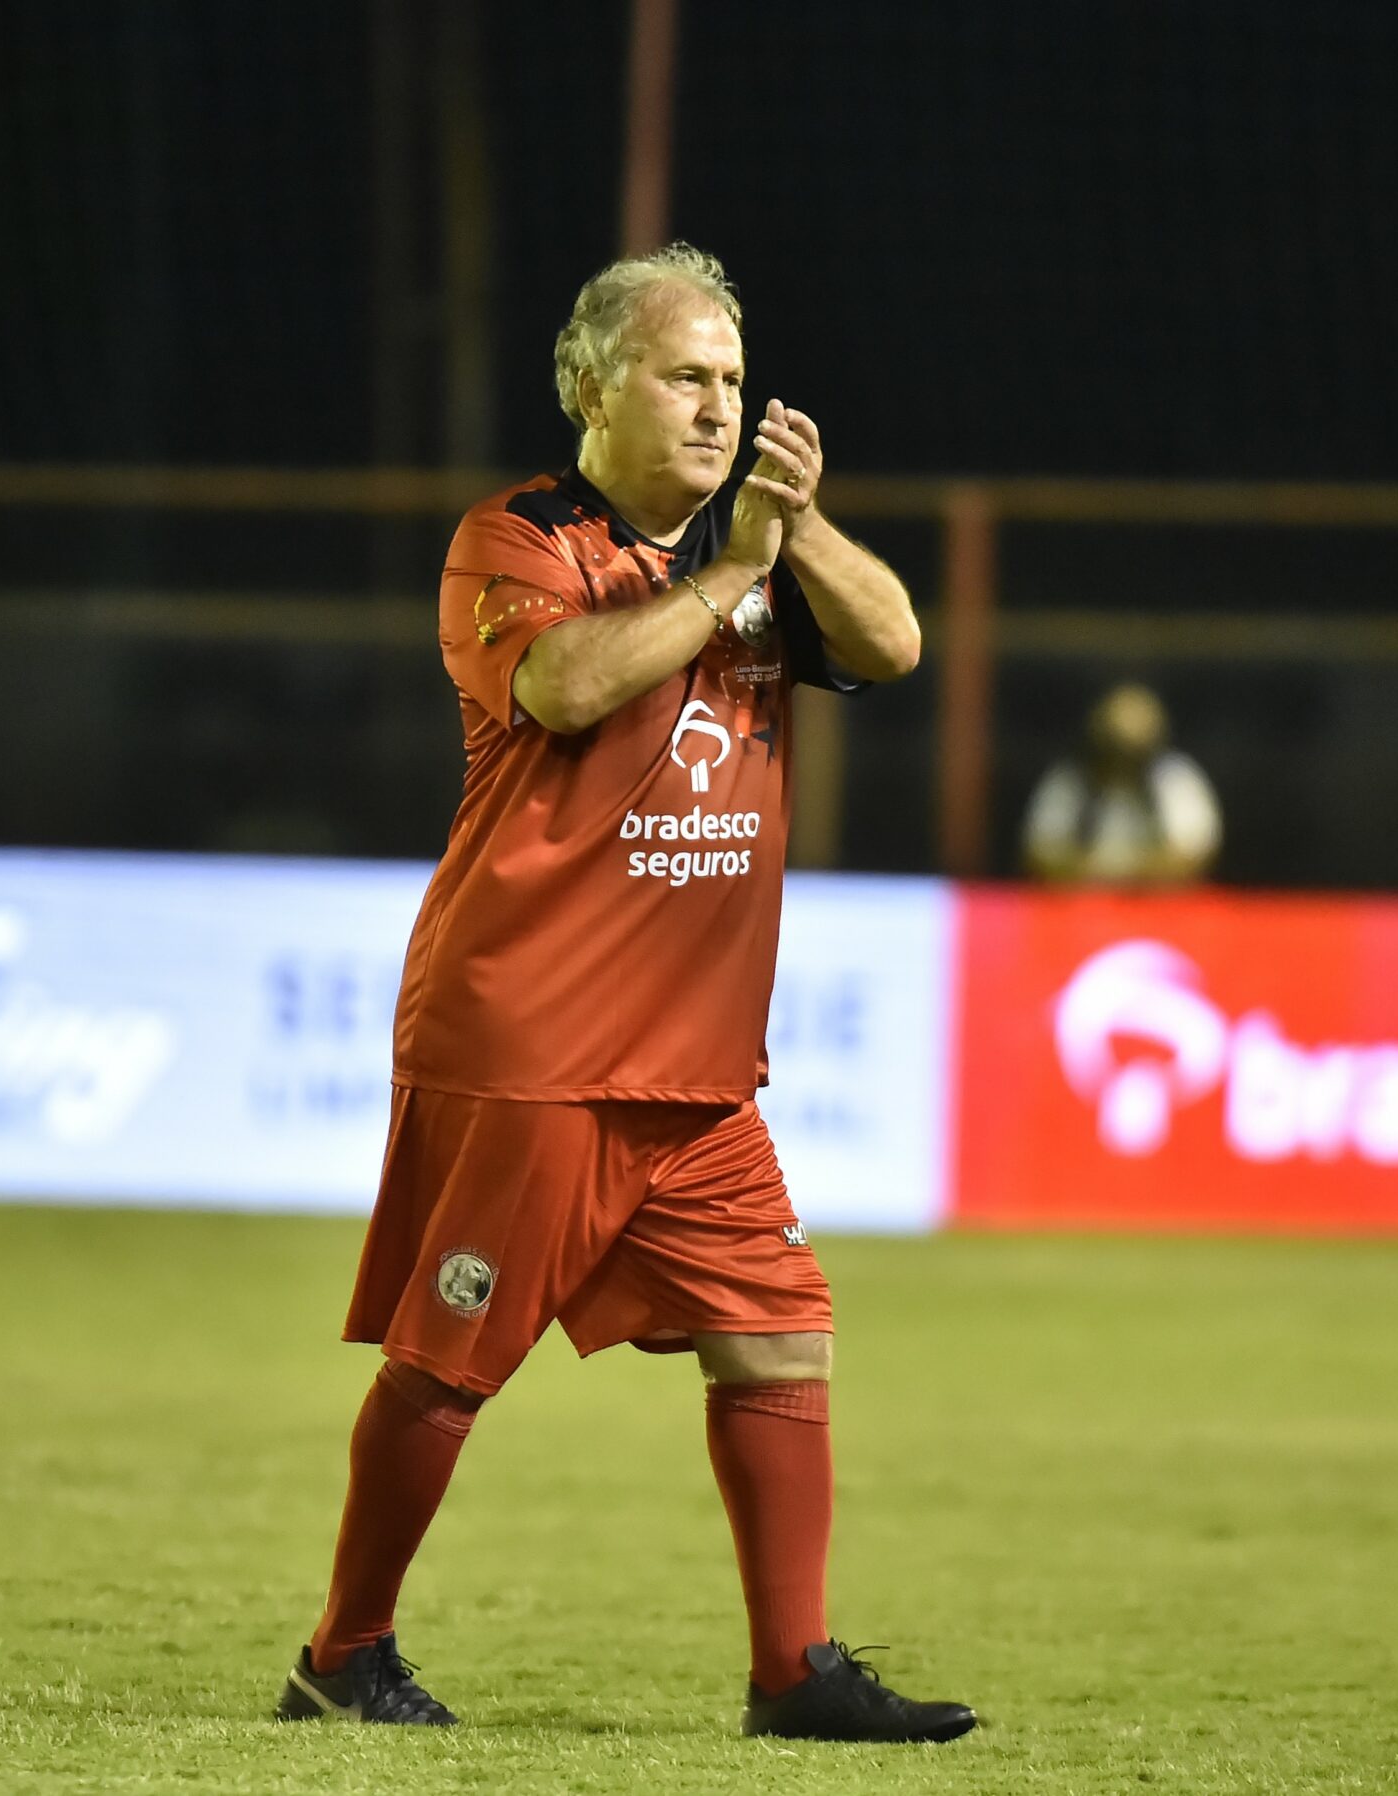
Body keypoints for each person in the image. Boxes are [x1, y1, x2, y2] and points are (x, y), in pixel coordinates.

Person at [273, 244, 976, 1744]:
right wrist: (729, 574)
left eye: (733, 380)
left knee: (782, 1329)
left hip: (691, 1065)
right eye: (684, 376)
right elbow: (567, 691)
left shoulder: (763, 555)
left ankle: (794, 1675)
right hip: (531, 1037)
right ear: (597, 386)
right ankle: (344, 1655)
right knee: (450, 1361)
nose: (717, 408)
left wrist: (798, 530)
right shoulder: (515, 540)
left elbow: (900, 642)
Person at [1022, 682, 1223, 885]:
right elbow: (1041, 854)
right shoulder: (1070, 780)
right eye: (1114, 748)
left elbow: (1194, 855)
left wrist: (1122, 872)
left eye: (1134, 752)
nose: (1123, 761)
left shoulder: (1175, 777)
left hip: (1160, 908)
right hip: (1080, 905)